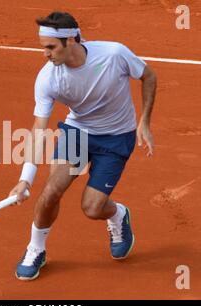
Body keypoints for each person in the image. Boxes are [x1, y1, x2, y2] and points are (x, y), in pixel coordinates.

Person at [9, 11, 157, 281]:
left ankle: (117, 214)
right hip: (78, 133)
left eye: (51, 47)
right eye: (43, 47)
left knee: (92, 208)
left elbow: (148, 76)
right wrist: (25, 179)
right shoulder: (48, 78)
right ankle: (36, 248)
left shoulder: (113, 54)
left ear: (72, 40)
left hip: (116, 137)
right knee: (51, 190)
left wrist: (144, 121)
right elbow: (38, 130)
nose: (45, 54)